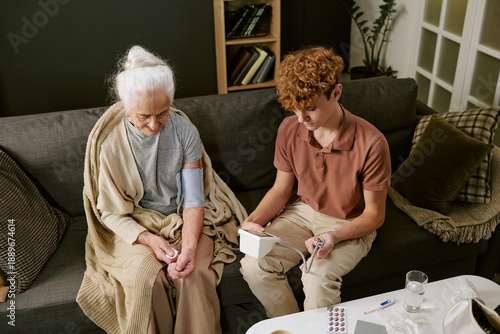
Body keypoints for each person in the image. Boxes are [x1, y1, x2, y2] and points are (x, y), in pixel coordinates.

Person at [77, 45, 246, 334]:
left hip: (181, 218)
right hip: (132, 224)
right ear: (126, 107)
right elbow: (110, 213)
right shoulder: (110, 145)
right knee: (148, 277)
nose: (154, 124)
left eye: (163, 113)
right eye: (144, 116)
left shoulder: (184, 131)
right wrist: (150, 241)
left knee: (190, 274)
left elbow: (194, 200)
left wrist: (189, 248)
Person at [239, 46, 391, 317]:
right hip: (303, 212)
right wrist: (253, 221)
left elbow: (375, 215)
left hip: (349, 222)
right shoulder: (290, 128)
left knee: (317, 278)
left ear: (336, 93)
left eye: (310, 108)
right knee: (254, 266)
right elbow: (280, 189)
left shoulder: (372, 142)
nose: (301, 119)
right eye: (294, 110)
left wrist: (334, 236)